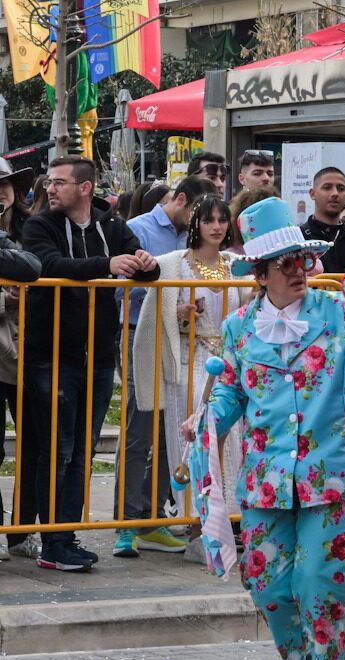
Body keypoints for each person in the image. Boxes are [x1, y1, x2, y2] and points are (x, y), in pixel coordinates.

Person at [182, 197, 345, 660]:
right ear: (261, 272)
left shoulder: (341, 314)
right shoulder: (239, 327)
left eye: (305, 260)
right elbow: (230, 389)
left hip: (335, 476)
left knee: (317, 584)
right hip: (267, 481)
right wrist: (206, 417)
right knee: (266, 584)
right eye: (286, 263)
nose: (300, 271)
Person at [23, 156, 161, 571]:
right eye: (49, 181)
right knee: (58, 449)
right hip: (52, 355)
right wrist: (108, 265)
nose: (51, 188)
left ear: (85, 188)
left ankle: (66, 536)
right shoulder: (39, 225)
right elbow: (47, 265)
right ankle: (52, 542)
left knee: (82, 452)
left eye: (60, 182)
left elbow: (141, 274)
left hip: (98, 356)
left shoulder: (113, 227)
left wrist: (147, 265)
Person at [132, 195, 251, 550]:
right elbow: (158, 315)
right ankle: (200, 531)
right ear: (195, 225)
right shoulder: (173, 264)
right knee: (197, 442)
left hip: (229, 362)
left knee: (233, 446)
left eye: (222, 220)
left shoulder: (237, 264)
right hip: (187, 360)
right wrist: (181, 312)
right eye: (208, 220)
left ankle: (227, 524)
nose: (216, 227)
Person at [114, 176, 218, 558]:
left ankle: (154, 518)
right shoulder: (136, 229)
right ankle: (125, 524)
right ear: (181, 200)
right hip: (142, 338)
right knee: (139, 428)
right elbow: (123, 285)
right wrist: (166, 305)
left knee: (171, 431)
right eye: (199, 215)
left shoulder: (194, 244)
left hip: (188, 346)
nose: (206, 225)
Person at [0, 160, 42, 562]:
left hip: (29, 352)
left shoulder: (31, 229)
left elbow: (37, 269)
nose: (1, 190)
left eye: (7, 183)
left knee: (32, 446)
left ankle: (22, 530)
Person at [298, 168, 345, 275]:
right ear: (312, 194)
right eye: (327, 187)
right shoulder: (299, 239)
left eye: (340, 188)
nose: (335, 193)